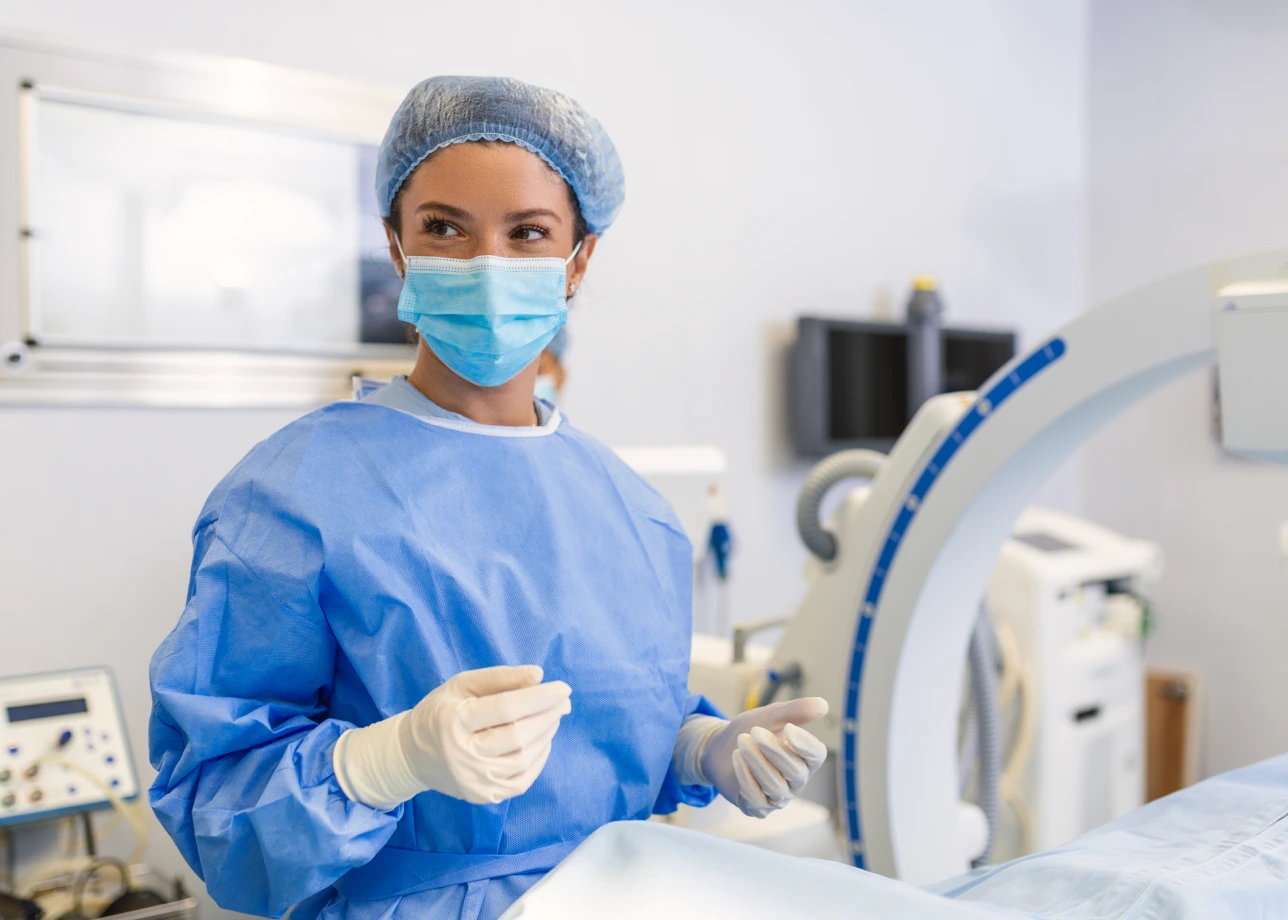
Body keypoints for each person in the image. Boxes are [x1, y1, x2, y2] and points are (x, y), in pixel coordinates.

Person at [148, 75, 828, 920]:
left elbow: (617, 726)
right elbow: (215, 802)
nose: (486, 265)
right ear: (397, 248)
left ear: (578, 260)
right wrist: (382, 762)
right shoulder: (289, 498)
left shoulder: (635, 512)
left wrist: (699, 748)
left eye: (529, 233)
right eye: (444, 228)